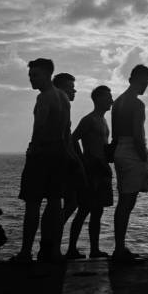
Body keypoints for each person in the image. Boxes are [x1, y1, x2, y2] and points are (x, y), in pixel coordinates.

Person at [11, 58, 70, 263]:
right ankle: (54, 251)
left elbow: (40, 127)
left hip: (42, 154)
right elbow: (65, 130)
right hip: (59, 154)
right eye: (30, 75)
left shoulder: (44, 97)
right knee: (55, 203)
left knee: (33, 203)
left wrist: (32, 149)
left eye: (35, 75)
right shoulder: (63, 97)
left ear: (47, 75)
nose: (31, 79)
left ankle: (25, 252)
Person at [65, 86, 114, 259]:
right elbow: (73, 139)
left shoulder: (103, 120)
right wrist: (83, 160)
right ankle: (71, 248)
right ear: (98, 98)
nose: (111, 100)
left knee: (98, 211)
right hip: (91, 170)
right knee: (84, 209)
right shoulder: (89, 120)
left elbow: (102, 144)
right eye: (108, 97)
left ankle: (95, 249)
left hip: (103, 169)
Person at [111, 65, 148, 263]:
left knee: (123, 203)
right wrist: (143, 157)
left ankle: (119, 246)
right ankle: (119, 249)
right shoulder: (137, 105)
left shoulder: (117, 102)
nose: (144, 86)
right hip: (132, 151)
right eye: (142, 82)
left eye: (146, 82)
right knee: (127, 203)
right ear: (132, 80)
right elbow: (137, 134)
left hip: (120, 149)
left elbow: (114, 135)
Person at [54, 73, 88, 227]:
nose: (74, 91)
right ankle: (51, 241)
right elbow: (64, 138)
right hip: (64, 161)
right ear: (60, 89)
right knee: (69, 202)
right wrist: (76, 161)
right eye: (71, 88)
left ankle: (52, 242)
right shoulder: (60, 106)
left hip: (66, 159)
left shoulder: (62, 107)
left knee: (69, 202)